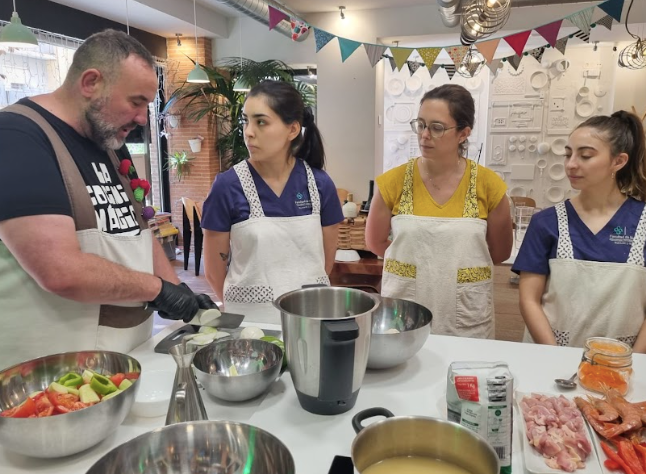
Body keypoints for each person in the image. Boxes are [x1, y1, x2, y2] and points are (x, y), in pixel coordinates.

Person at [0, 30, 215, 368]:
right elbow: (60, 270)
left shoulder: (109, 141)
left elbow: (138, 232)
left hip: (125, 355)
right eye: (136, 102)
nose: (143, 118)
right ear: (91, 83)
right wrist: (158, 289)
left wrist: (179, 290)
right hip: (54, 369)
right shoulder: (18, 137)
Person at [366, 84, 512, 339]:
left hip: (466, 314)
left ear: (463, 133)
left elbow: (500, 252)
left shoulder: (489, 185)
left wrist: (453, 267)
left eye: (437, 128)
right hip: (406, 308)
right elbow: (375, 242)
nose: (424, 135)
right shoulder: (393, 182)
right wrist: (420, 265)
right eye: (421, 124)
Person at [202, 80, 344, 324]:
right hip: (249, 322)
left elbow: (325, 262)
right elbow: (214, 272)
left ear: (292, 130)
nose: (248, 131)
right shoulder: (227, 187)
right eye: (245, 121)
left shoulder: (319, 185)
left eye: (261, 122)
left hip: (308, 319)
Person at [513, 111, 646, 351]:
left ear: (618, 161)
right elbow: (529, 300)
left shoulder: (642, 222)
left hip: (623, 362)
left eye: (585, 155)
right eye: (568, 154)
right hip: (551, 356)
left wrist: (632, 360)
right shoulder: (546, 222)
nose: (571, 164)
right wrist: (555, 355)